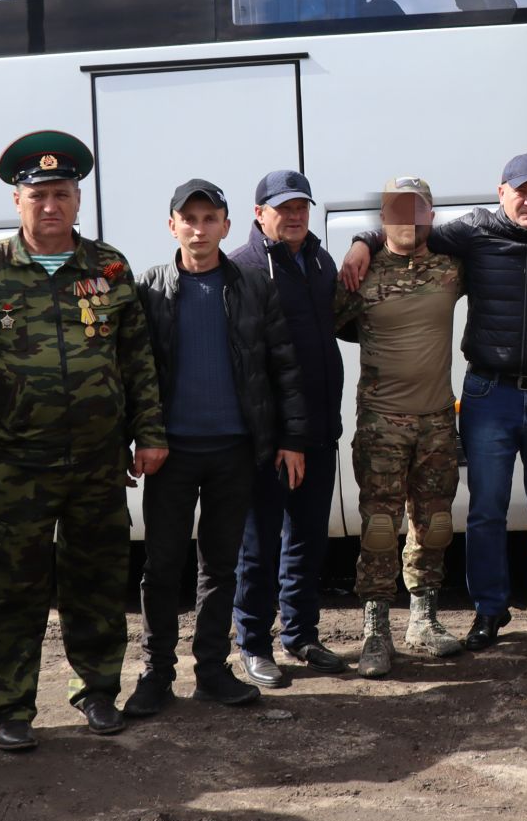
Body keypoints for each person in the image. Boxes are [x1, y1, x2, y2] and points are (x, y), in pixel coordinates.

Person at [0, 130, 167, 751]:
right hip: (17, 464)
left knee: (97, 581)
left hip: (99, 463)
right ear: (18, 202)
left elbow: (138, 360)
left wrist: (149, 433)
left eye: (63, 194)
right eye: (39, 194)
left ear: (78, 200)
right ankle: (11, 706)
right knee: (11, 589)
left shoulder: (108, 267)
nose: (51, 206)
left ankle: (98, 690)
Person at [341, 152, 527, 650]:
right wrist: (360, 241)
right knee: (482, 512)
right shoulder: (471, 234)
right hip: (484, 395)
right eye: (521, 190)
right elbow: (397, 239)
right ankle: (485, 613)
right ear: (501, 193)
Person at [126, 179, 310, 717]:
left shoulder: (253, 286)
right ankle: (156, 674)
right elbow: (134, 374)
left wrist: (292, 438)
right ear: (172, 226)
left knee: (220, 567)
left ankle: (211, 670)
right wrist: (139, 438)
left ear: (227, 227)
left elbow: (283, 367)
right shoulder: (151, 289)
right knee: (161, 567)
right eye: (190, 219)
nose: (200, 229)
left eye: (211, 220)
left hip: (235, 451)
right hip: (170, 453)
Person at [335, 176, 466, 678]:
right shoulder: (358, 275)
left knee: (433, 525)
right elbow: (320, 328)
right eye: (396, 209)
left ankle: (423, 621)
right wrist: (361, 244)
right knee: (380, 529)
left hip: (436, 421)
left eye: (417, 209)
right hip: (381, 425)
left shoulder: (452, 267)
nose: (407, 219)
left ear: (430, 213)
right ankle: (375, 632)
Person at [229, 170, 348, 684]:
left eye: (302, 206)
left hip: (320, 428)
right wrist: (283, 439)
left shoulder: (317, 259)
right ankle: (253, 644)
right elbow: (252, 370)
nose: (295, 215)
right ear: (260, 214)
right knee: (258, 547)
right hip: (273, 442)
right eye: (283, 208)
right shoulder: (245, 269)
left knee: (306, 538)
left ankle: (300, 635)